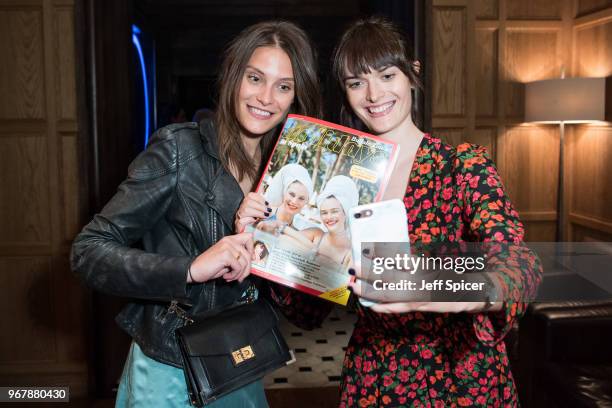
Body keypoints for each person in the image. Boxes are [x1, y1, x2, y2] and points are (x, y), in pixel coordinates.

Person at [71, 21, 324, 407]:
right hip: (172, 366)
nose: (266, 97)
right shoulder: (178, 150)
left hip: (240, 359)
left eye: (284, 86)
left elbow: (298, 302)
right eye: (255, 78)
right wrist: (190, 269)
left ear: (295, 97)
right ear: (232, 76)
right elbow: (87, 252)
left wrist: (321, 262)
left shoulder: (282, 174)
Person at [331, 17, 542, 407]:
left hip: (457, 376)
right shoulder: (346, 182)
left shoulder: (460, 165)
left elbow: (521, 265)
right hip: (374, 374)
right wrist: (267, 237)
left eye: (387, 75)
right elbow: (313, 302)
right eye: (356, 82)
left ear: (413, 74)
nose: (373, 94)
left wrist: (454, 291)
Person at [275, 175, 358, 267]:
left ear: (345, 213)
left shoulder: (352, 253)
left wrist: (311, 250)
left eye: (334, 211)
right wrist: (312, 247)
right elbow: (279, 241)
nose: (329, 217)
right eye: (324, 213)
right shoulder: (316, 234)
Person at [252, 163, 314, 234]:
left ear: (306, 202)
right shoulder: (262, 213)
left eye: (301, 198)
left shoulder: (296, 233)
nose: (294, 201)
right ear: (284, 192)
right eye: (291, 194)